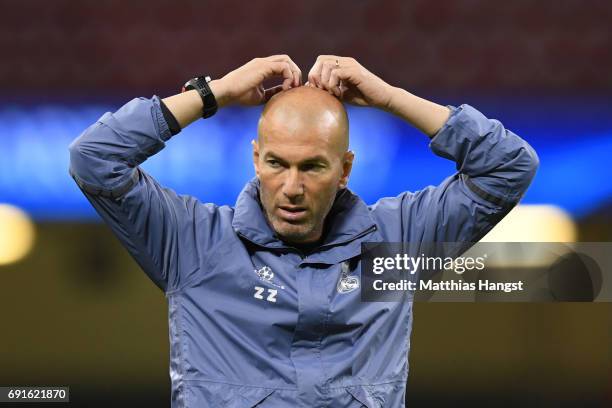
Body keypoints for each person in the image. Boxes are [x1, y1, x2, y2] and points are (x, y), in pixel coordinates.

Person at [68, 55, 539, 407]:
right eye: (277, 163)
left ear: (345, 169)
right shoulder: (194, 243)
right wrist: (216, 94)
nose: (291, 187)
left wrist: (388, 97)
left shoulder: (398, 242)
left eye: (313, 166)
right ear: (256, 159)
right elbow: (94, 160)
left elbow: (508, 167)